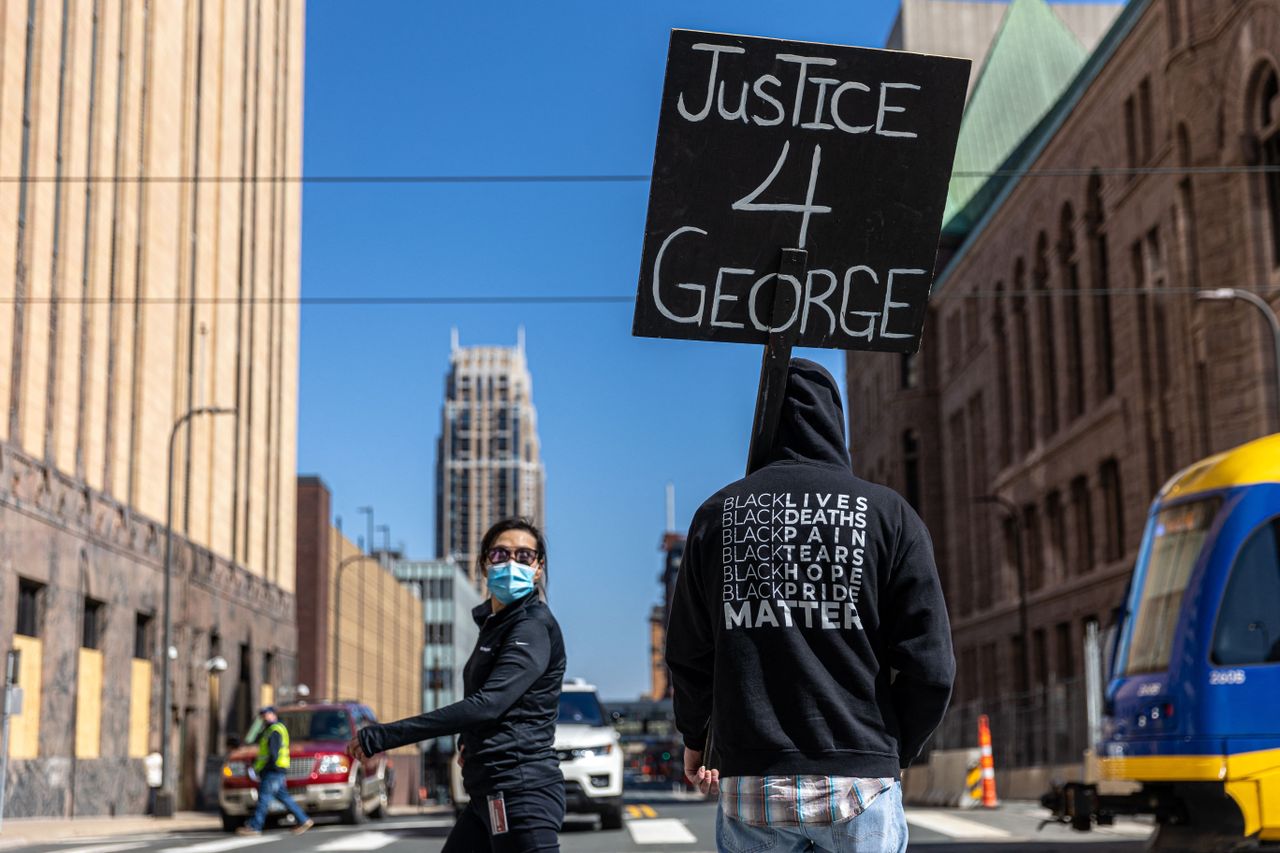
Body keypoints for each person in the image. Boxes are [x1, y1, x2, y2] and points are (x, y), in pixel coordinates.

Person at [666, 358, 954, 853]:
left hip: (753, 778)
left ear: (761, 422)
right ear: (834, 421)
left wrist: (696, 738)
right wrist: (894, 750)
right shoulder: (889, 515)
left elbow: (690, 653)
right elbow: (931, 665)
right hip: (859, 776)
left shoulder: (716, 516)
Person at [348, 518, 566, 853]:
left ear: (538, 569)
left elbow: (489, 703)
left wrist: (384, 736)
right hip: (488, 792)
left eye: (524, 556)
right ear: (484, 564)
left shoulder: (531, 628)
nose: (511, 563)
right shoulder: (496, 625)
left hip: (522, 792)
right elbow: (498, 705)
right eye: (500, 554)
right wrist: (469, 741)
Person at [236, 706, 314, 836]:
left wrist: (264, 767)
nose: (264, 717)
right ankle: (303, 819)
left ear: (273, 715)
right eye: (262, 715)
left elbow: (273, 753)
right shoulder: (270, 730)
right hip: (276, 769)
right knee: (283, 797)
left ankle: (255, 826)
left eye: (266, 714)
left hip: (273, 769)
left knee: (264, 798)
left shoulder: (274, 730)